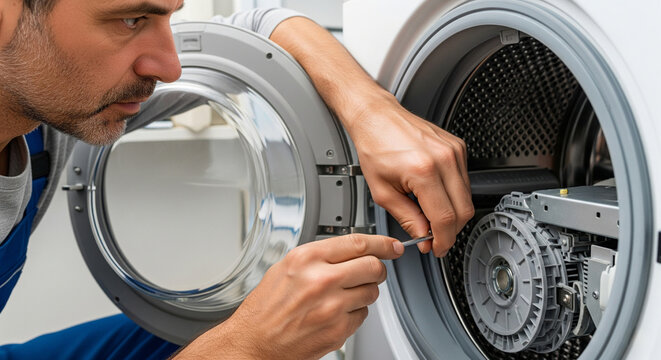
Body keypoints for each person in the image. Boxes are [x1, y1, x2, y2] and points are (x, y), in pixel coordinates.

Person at [0, 1, 474, 359]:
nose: (170, 66)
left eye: (166, 16)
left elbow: (259, 29)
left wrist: (372, 111)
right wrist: (248, 346)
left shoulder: (48, 111)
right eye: (131, 20)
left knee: (218, 324)